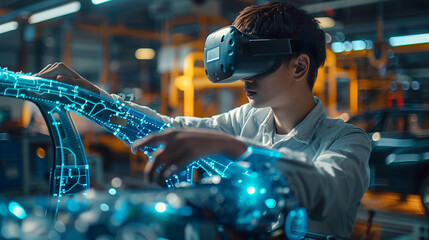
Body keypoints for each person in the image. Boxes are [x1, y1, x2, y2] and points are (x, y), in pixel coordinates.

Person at [36, 2, 371, 237]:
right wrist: (96, 99)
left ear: (299, 67)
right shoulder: (247, 119)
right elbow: (166, 129)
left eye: (255, 64)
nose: (244, 79)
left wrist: (236, 148)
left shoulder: (346, 139)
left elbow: (329, 188)